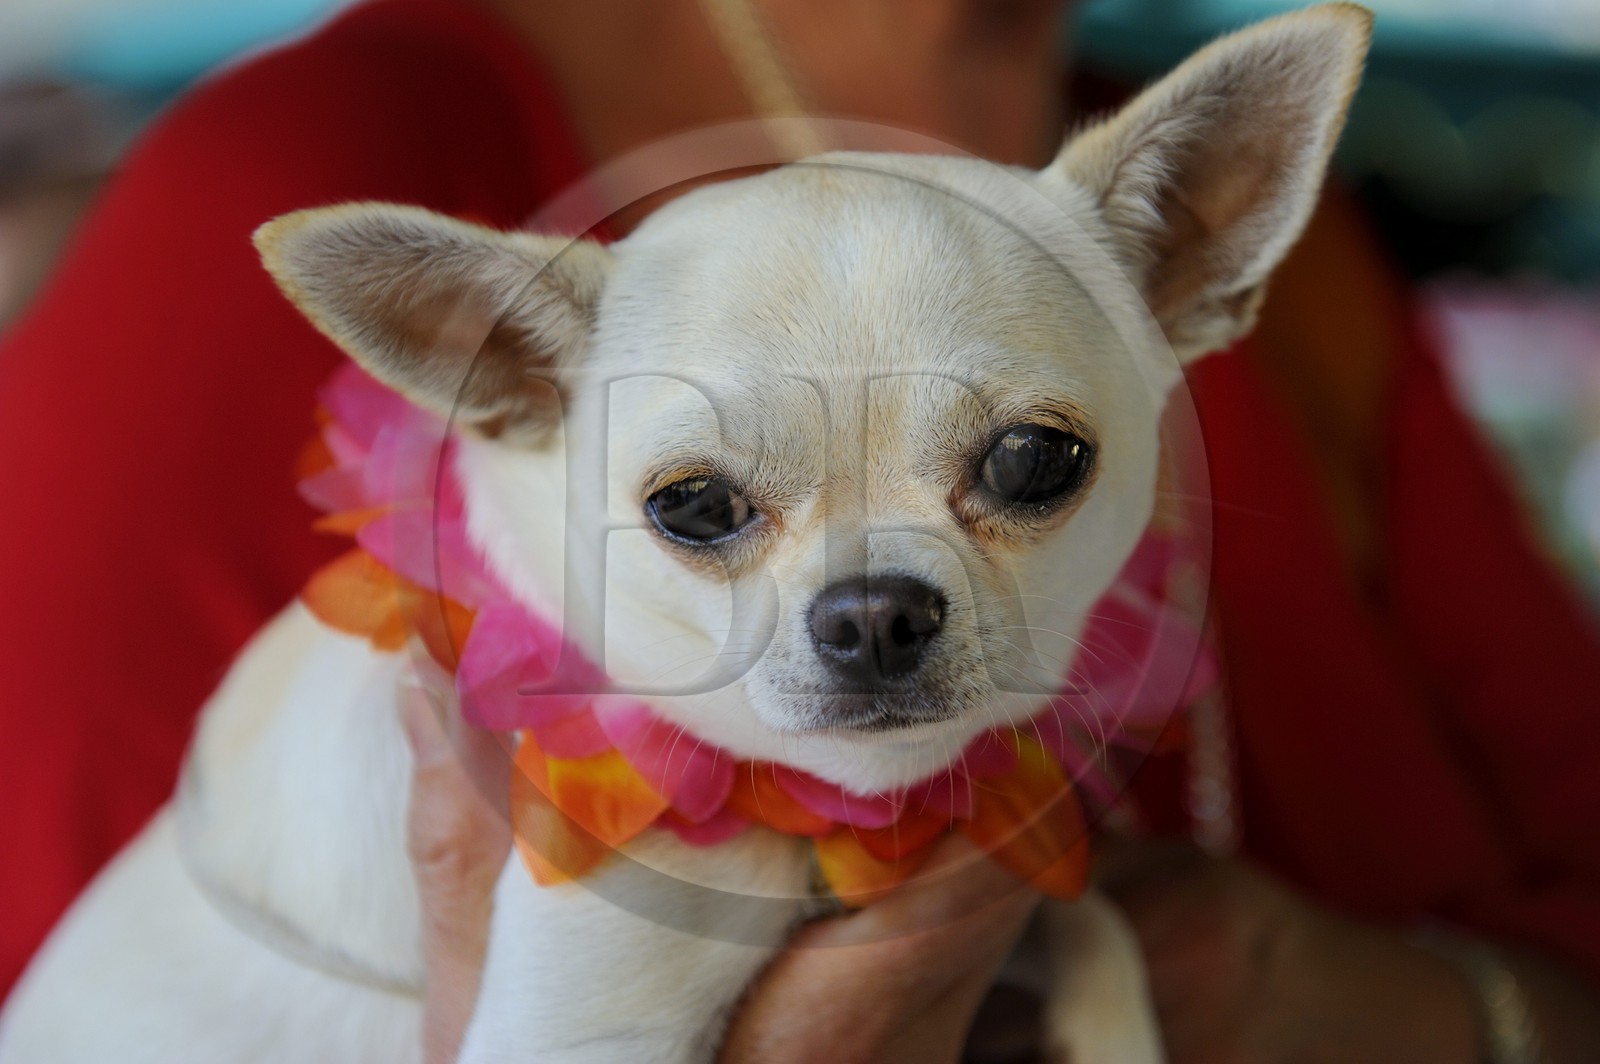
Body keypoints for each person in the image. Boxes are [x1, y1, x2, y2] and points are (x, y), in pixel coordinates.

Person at [1, 0, 1597, 1059]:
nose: (871, 608)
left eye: (1026, 468)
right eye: (705, 513)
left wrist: (1352, 1001)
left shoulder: (1206, 219)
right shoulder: (313, 151)